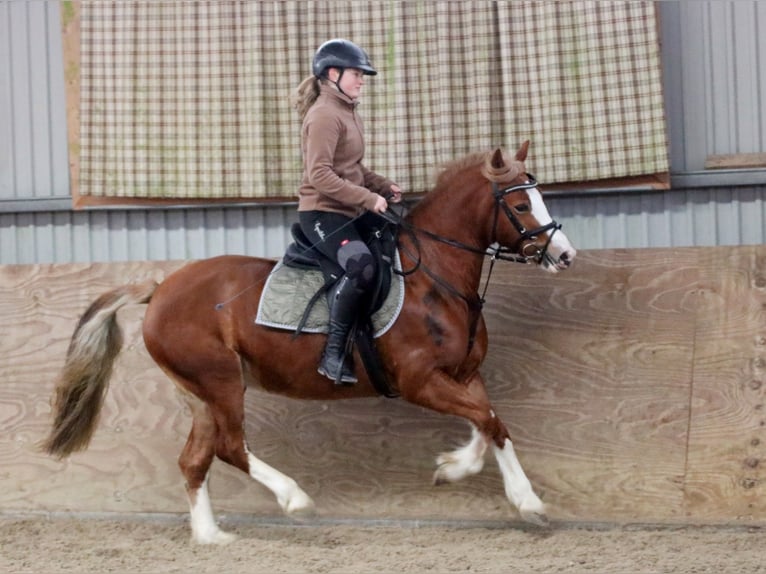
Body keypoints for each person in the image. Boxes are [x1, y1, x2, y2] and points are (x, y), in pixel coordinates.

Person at [291, 38, 402, 385]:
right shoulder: (324, 115)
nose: (362, 80)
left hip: (347, 208)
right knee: (362, 268)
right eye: (357, 73)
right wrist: (368, 199)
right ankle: (334, 353)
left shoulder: (346, 111)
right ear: (333, 73)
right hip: (323, 213)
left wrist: (381, 185)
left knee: (397, 235)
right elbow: (320, 175)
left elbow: (352, 168)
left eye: (362, 74)